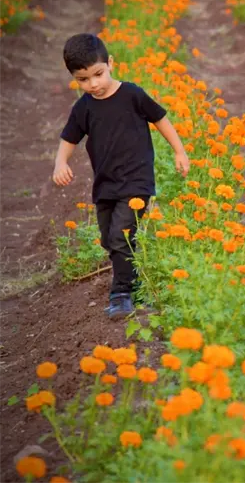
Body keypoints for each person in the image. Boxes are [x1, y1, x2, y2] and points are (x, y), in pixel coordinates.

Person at [52, 33, 190, 319]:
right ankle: (136, 284)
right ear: (74, 79)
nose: (93, 84)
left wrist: (179, 151)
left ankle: (121, 294)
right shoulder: (84, 107)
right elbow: (69, 137)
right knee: (109, 238)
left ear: (110, 63)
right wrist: (60, 163)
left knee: (120, 237)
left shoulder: (132, 94)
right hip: (105, 184)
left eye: (98, 74)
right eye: (83, 80)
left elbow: (160, 118)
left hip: (136, 181)